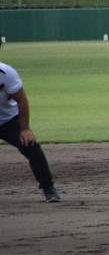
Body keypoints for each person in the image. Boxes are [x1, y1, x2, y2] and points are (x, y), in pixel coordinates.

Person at [0, 36, 61, 202]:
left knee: (31, 146)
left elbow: (22, 100)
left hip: (7, 120)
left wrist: (25, 129)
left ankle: (48, 188)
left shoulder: (6, 73)